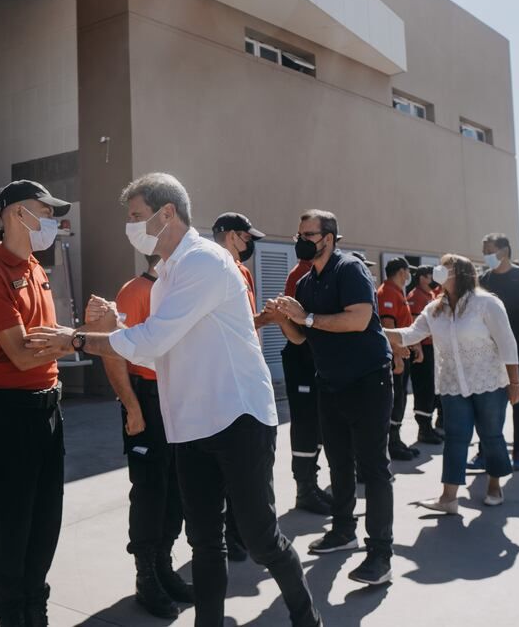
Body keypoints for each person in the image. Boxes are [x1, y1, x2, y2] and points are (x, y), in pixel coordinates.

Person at [25, 173, 322, 627]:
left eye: (137, 217)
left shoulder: (205, 262)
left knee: (260, 540)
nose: (132, 226)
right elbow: (158, 341)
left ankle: (306, 617)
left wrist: (78, 340)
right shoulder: (166, 277)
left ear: (168, 214)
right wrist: (111, 326)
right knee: (204, 542)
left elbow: (153, 340)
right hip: (189, 424)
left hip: (237, 418)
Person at [0, 180, 72, 627]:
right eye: (42, 211)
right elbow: (22, 352)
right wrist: (73, 341)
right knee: (11, 533)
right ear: (14, 215)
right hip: (9, 416)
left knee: (45, 527)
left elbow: (40, 344)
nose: (51, 220)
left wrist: (63, 341)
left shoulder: (36, 268)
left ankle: (37, 616)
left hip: (48, 410)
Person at [271, 209, 394, 586]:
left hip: (368, 381)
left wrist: (306, 317)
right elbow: (302, 337)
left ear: (329, 237)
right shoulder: (307, 281)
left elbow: (357, 319)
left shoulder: (350, 268)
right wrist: (283, 319)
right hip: (330, 383)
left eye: (308, 233)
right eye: (298, 232)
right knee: (339, 464)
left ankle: (380, 555)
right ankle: (343, 531)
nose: (301, 239)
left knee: (372, 468)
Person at [386, 255, 519, 513]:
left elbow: (507, 342)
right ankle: (448, 498)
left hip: (488, 382)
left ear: (459, 272)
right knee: (456, 439)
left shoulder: (486, 303)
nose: (438, 269)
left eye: (445, 266)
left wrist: (514, 382)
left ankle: (494, 485)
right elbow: (410, 334)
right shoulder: (434, 308)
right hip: (452, 385)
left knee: (491, 435)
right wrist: (376, 330)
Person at [103, 255, 193, 619]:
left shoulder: (177, 293)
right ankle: (145, 577)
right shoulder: (134, 292)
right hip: (147, 398)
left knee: (176, 487)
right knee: (150, 490)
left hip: (177, 398)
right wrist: (133, 407)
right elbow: (115, 354)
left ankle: (163, 566)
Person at [211, 212, 267, 560]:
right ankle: (224, 536)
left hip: (243, 379)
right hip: (219, 378)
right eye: (247, 239)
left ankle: (238, 532)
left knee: (245, 462)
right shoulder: (211, 268)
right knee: (222, 464)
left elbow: (244, 326)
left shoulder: (243, 272)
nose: (249, 246)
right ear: (232, 236)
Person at [469, 234, 519, 472]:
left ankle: (518, 453)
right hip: (487, 352)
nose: (485, 255)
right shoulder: (483, 280)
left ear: (504, 251)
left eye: (489, 250)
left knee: (518, 401)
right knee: (486, 403)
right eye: (484, 250)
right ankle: (485, 453)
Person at [279, 256, 333, 515]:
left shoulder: (320, 273)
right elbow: (294, 327)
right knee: (305, 424)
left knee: (317, 424)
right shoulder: (301, 274)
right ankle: (305, 488)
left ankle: (311, 482)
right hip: (301, 359)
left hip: (316, 359)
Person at [377, 258, 421, 460]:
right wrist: (397, 356)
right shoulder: (386, 291)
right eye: (407, 271)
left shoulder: (396, 292)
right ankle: (392, 443)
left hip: (404, 352)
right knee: (396, 400)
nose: (408, 275)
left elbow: (406, 323)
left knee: (401, 397)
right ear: (401, 271)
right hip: (396, 355)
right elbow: (388, 324)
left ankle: (396, 439)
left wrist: (415, 345)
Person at [407, 266, 443, 444]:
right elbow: (414, 325)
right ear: (422, 277)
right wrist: (418, 347)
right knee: (424, 388)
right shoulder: (415, 296)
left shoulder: (429, 294)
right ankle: (424, 428)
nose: (433, 278)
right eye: (430, 275)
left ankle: (429, 426)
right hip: (423, 347)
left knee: (431, 388)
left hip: (433, 346)